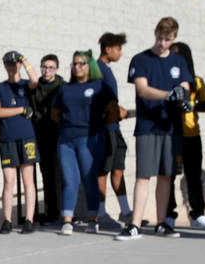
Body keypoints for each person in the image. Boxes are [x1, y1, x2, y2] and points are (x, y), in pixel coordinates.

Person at [117, 17, 192, 240]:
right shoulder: (141, 59)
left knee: (166, 176)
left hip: (171, 127)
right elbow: (142, 89)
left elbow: (185, 86)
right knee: (143, 175)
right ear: (155, 34)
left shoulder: (179, 61)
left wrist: (183, 96)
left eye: (167, 40)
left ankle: (163, 222)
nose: (162, 43)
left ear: (174, 38)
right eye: (159, 38)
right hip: (148, 126)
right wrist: (169, 95)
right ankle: (135, 225)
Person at [51, 51, 110, 235]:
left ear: (89, 65)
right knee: (69, 180)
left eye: (82, 63)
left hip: (89, 139)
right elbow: (55, 112)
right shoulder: (65, 89)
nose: (77, 67)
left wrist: (97, 127)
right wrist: (68, 125)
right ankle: (68, 220)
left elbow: (114, 110)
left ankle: (93, 219)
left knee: (89, 178)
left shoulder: (100, 86)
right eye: (75, 64)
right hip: (66, 140)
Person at [0, 50, 39, 233]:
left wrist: (25, 61)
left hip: (27, 137)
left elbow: (35, 80)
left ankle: (29, 219)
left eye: (14, 63)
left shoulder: (26, 85)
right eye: (9, 63)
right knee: (8, 181)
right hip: (8, 139)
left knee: (28, 180)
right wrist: (20, 110)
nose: (12, 66)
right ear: (4, 66)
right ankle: (7, 220)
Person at [169, 42, 205, 227]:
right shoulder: (166, 80)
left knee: (193, 175)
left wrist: (192, 105)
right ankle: (168, 214)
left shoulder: (197, 81)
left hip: (191, 135)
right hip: (170, 134)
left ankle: (197, 213)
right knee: (168, 175)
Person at [95, 33, 132, 226]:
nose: (120, 53)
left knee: (118, 168)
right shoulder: (96, 69)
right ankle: (101, 213)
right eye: (118, 49)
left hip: (114, 127)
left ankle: (126, 211)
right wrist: (117, 110)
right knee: (103, 170)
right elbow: (95, 99)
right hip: (103, 129)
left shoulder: (106, 70)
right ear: (108, 49)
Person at [31, 54, 64, 224]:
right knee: (47, 175)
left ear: (56, 69)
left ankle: (66, 213)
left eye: (50, 67)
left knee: (62, 175)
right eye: (44, 67)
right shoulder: (35, 86)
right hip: (41, 135)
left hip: (59, 135)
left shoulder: (62, 86)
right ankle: (52, 213)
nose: (47, 71)